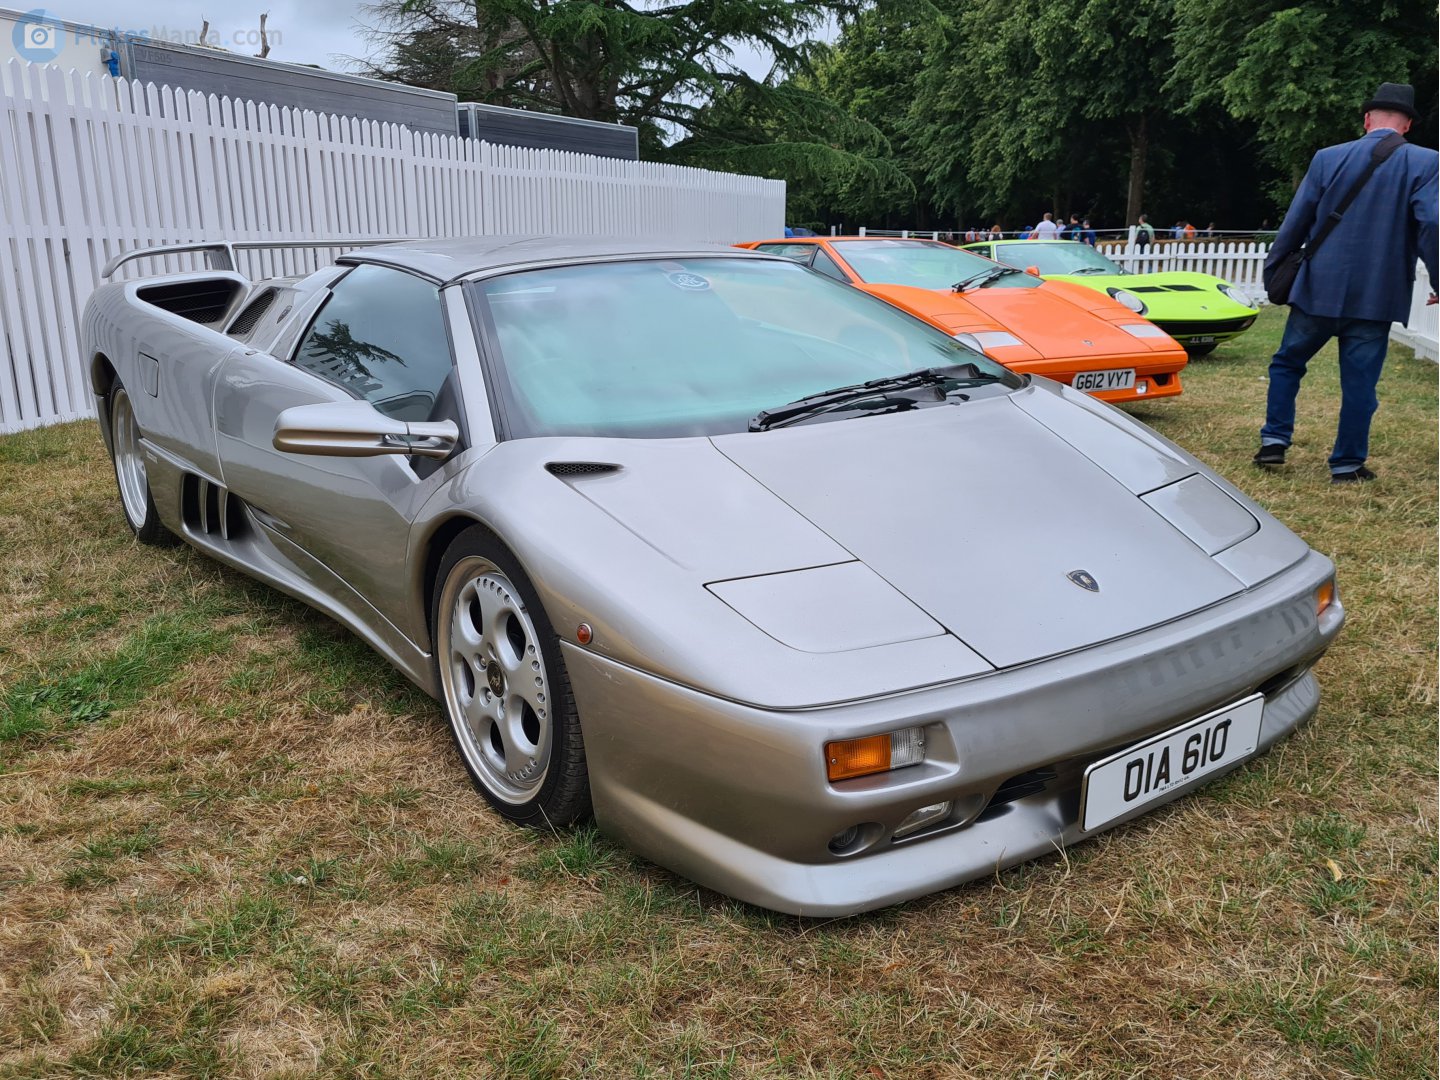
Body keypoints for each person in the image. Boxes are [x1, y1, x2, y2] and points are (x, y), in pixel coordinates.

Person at [1255, 81, 1438, 484]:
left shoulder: (1327, 158)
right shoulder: (1427, 163)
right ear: (1407, 125)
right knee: (1360, 384)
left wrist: (1274, 272)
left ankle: (1273, 442)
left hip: (1318, 287)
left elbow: (1296, 221)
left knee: (1287, 363)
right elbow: (1432, 224)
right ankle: (1346, 465)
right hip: (1376, 293)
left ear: (1367, 119)